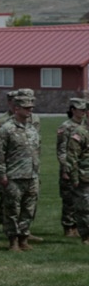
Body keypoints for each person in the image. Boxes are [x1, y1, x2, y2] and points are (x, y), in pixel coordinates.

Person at [0, 89, 40, 251]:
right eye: (26, 108)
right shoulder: (6, 129)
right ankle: (13, 241)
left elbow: (36, 151)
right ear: (16, 108)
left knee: (28, 209)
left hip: (31, 175)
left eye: (31, 108)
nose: (30, 110)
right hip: (13, 176)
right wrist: (1, 174)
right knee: (12, 210)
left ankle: (24, 238)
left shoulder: (32, 129)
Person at [56, 97, 86, 238]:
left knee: (82, 200)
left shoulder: (85, 127)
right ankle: (69, 227)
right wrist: (65, 169)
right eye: (81, 110)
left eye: (85, 110)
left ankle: (79, 226)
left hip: (83, 169)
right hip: (69, 167)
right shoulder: (66, 127)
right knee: (69, 199)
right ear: (73, 110)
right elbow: (62, 151)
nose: (83, 113)